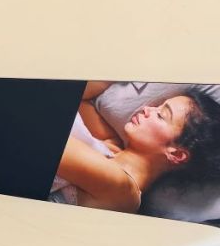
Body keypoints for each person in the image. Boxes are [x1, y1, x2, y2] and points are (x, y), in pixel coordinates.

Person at [50, 88, 220, 212]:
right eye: (158, 106)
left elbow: (45, 138)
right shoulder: (111, 148)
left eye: (161, 115)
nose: (147, 109)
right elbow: (79, 96)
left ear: (176, 154)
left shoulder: (121, 190)